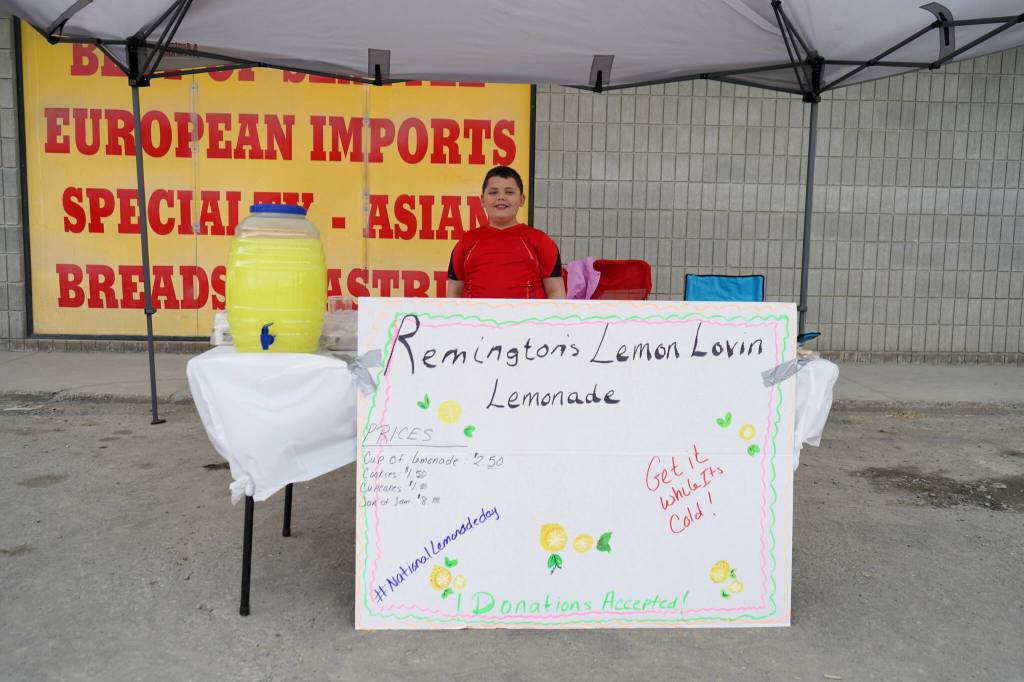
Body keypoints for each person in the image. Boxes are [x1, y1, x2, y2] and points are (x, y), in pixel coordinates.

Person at [447, 166, 567, 299]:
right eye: (493, 192)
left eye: (509, 192)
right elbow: (454, 293)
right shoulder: (466, 242)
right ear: (482, 200)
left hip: (526, 320)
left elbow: (556, 292)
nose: (501, 197)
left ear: (522, 200)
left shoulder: (541, 241)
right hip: (475, 320)